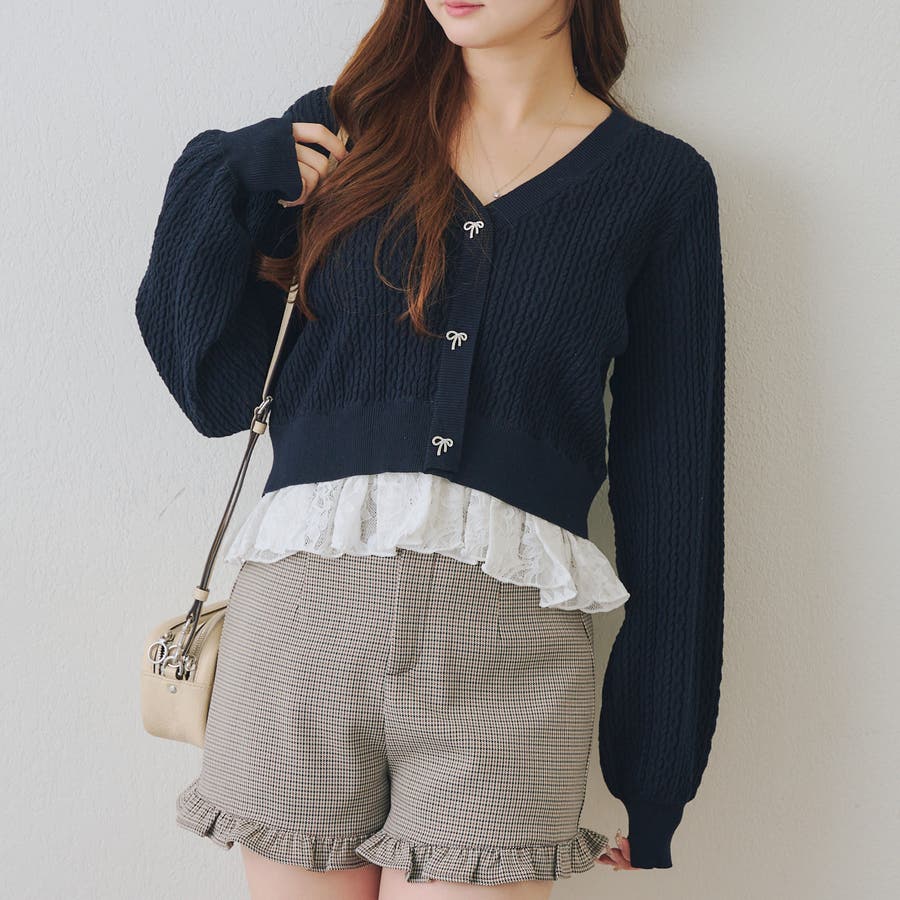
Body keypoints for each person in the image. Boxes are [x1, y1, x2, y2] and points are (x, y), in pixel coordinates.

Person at [134, 1, 726, 897]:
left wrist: (656, 768)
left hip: (511, 669)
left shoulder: (658, 184)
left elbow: (674, 485)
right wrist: (227, 181)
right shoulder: (344, 132)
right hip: (296, 649)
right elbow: (216, 389)